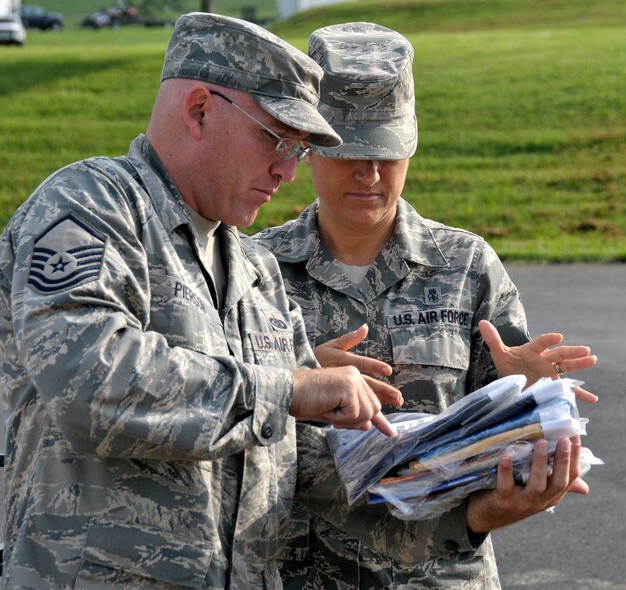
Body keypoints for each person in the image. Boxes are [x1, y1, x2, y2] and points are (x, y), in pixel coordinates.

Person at [0, 13, 398, 590]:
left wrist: (458, 471)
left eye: (300, 151)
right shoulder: (90, 209)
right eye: (277, 138)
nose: (286, 170)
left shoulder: (256, 269)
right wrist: (286, 388)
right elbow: (86, 380)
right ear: (200, 109)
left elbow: (297, 453)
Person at [253, 22, 598, 589]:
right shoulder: (254, 268)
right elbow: (217, 416)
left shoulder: (464, 265)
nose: (370, 174)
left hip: (439, 573)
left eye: (387, 153)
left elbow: (506, 449)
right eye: (350, 152)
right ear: (310, 144)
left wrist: (527, 401)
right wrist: (293, 379)